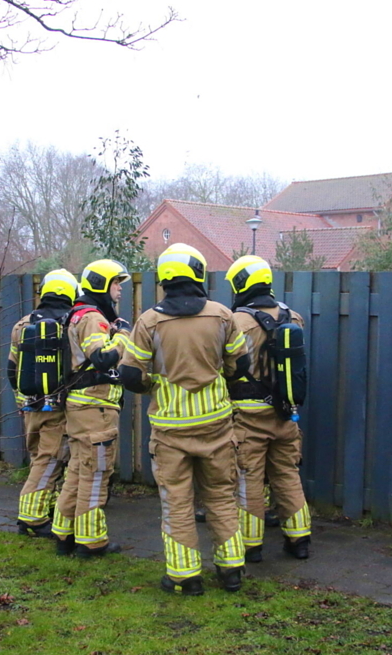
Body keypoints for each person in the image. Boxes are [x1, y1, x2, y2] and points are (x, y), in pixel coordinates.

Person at [118, 243, 250, 595]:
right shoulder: (223, 315)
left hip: (170, 430)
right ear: (198, 272)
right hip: (217, 426)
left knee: (176, 500)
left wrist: (153, 385)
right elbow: (241, 366)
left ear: (164, 277)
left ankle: (184, 576)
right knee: (221, 496)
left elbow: (130, 375)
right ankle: (232, 570)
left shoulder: (149, 321)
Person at [225, 256, 311, 561]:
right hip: (286, 414)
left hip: (248, 416)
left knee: (248, 478)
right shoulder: (294, 317)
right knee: (287, 474)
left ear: (240, 284)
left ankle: (251, 546)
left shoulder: (236, 322)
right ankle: (299, 540)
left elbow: (228, 368)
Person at [51, 259, 131, 558]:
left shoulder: (77, 314)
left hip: (80, 406)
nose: (119, 289)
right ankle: (91, 542)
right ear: (101, 285)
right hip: (95, 406)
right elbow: (101, 358)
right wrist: (123, 334)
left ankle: (64, 534)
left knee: (77, 471)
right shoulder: (93, 317)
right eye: (115, 283)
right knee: (96, 473)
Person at [8, 269, 79, 537]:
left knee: (39, 455)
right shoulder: (70, 323)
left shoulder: (22, 324)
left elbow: (11, 369)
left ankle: (45, 505)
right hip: (57, 405)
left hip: (30, 404)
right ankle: (32, 519)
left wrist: (23, 400)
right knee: (50, 459)